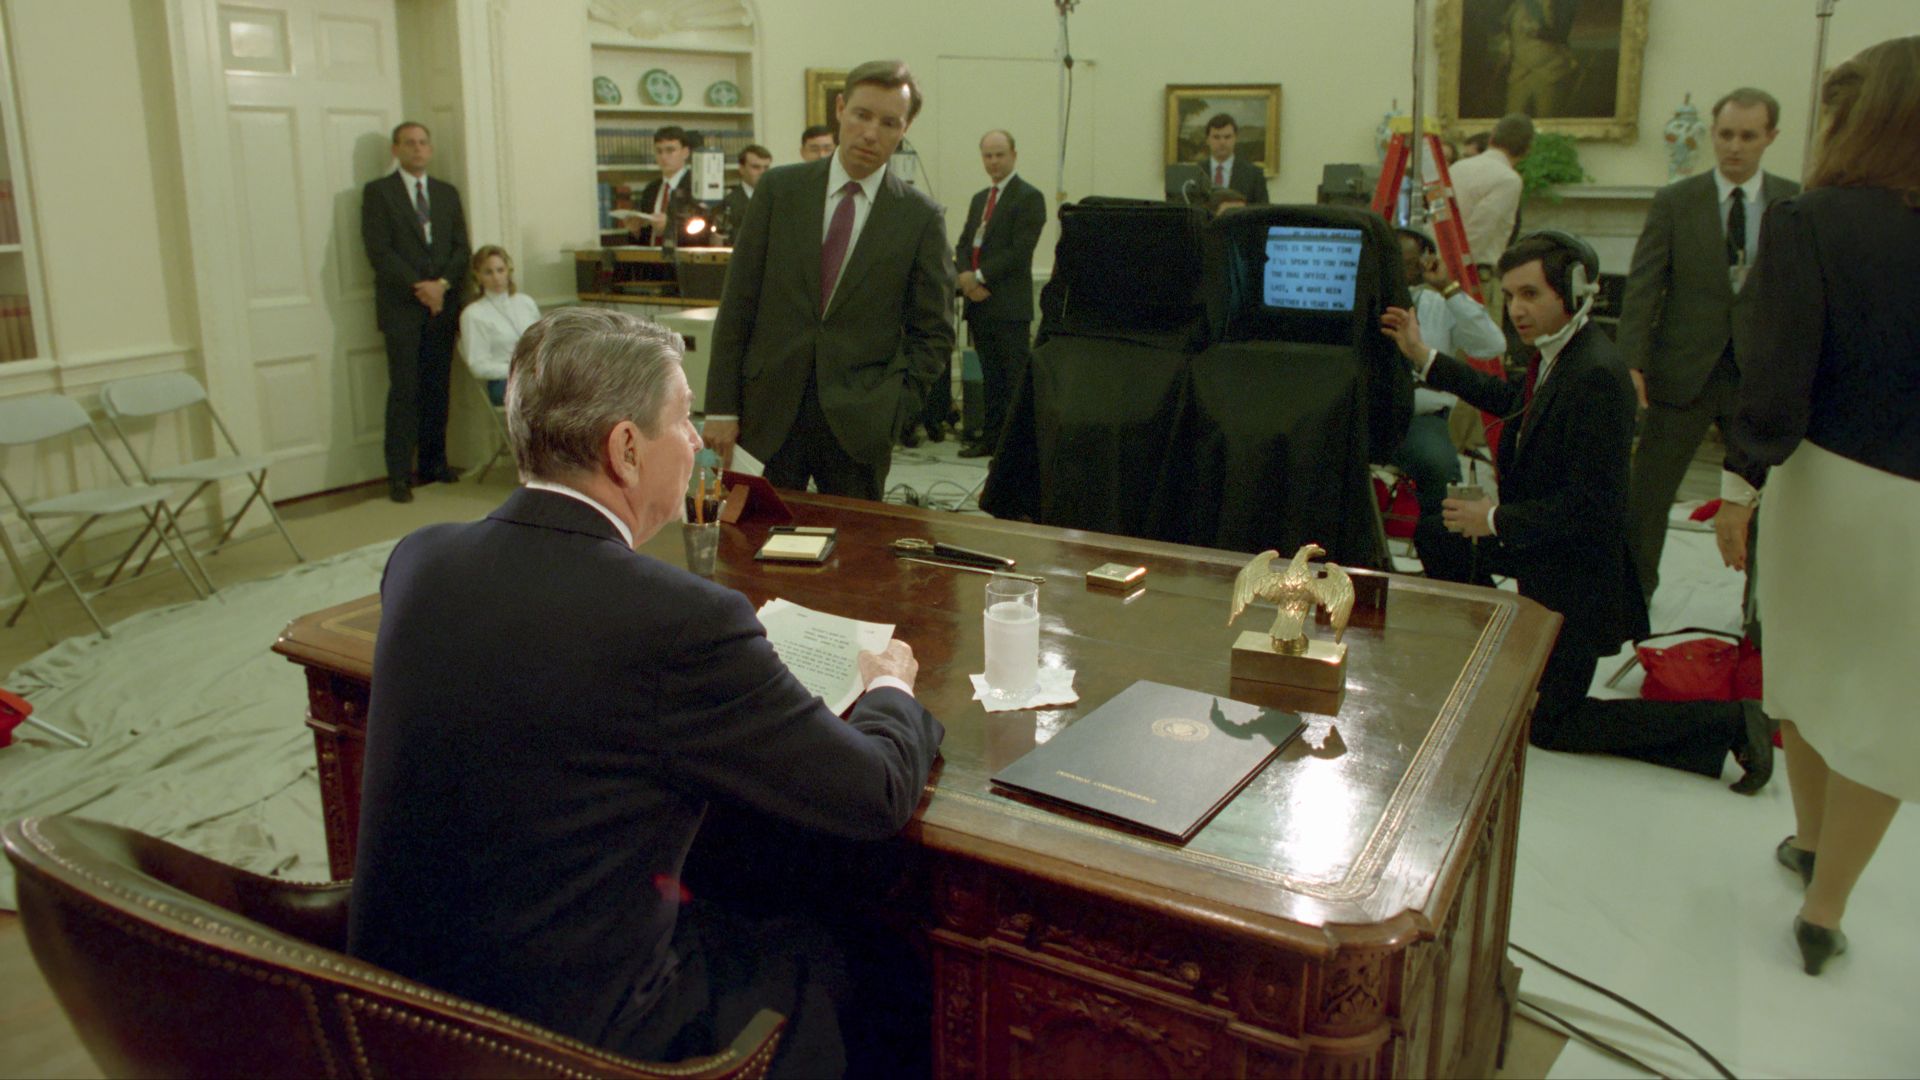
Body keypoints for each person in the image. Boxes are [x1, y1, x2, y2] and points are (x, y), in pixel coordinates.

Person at [347, 307, 945, 1076]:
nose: (697, 443)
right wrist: (892, 685)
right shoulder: (681, 621)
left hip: (395, 1018)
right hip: (573, 1044)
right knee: (847, 955)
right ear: (626, 448)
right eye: (685, 419)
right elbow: (875, 793)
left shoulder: (420, 559)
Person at [1380, 231, 1774, 791]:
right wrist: (1424, 356)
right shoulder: (1559, 357)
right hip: (1545, 548)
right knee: (1438, 532)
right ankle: (1498, 654)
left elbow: (1591, 512)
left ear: (1573, 291)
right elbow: (1512, 400)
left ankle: (1730, 722)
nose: (1517, 309)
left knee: (1553, 725)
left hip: (1581, 578)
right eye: (1511, 295)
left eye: (1531, 294)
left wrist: (1494, 520)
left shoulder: (1597, 375)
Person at [1714, 36, 1920, 975]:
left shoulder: (1812, 220)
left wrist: (1736, 486)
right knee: (1887, 706)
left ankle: (1805, 836)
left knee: (1802, 673)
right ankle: (1826, 904)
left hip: (1830, 487)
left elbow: (1775, 378)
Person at [703, 60, 955, 500]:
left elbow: (933, 333)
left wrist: (892, 409)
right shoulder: (779, 191)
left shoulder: (920, 218)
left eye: (889, 122)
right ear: (840, 109)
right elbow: (739, 302)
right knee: (750, 549)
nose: (871, 133)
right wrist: (721, 407)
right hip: (766, 412)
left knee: (857, 559)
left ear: (905, 127)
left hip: (858, 425)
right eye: (861, 114)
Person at [1620, 88, 1799, 604]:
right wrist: (1632, 361)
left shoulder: (1794, 203)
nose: (1734, 147)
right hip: (1681, 371)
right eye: (1725, 135)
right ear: (1711, 135)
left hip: (1758, 376)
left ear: (1770, 138)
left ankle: (1757, 619)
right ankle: (1633, 605)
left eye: (1747, 136)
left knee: (1764, 499)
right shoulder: (1677, 201)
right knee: (1648, 498)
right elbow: (1644, 284)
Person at [1386, 227, 1507, 573]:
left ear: (1424, 264)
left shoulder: (1438, 302)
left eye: (1409, 265)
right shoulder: (1362, 297)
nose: (1401, 273)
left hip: (1419, 417)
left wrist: (1449, 288)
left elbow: (1491, 346)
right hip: (1364, 413)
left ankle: (1448, 570)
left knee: (1439, 467)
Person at [363, 121, 469, 504]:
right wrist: (420, 287)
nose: (418, 149)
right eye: (409, 143)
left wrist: (440, 286)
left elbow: (461, 249)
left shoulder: (446, 193)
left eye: (424, 143)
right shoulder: (379, 193)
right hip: (402, 308)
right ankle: (397, 475)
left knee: (437, 387)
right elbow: (380, 252)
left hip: (443, 305)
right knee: (404, 390)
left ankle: (434, 464)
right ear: (396, 150)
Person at [948, 129, 1045, 459]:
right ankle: (990, 439)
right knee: (988, 378)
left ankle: (1016, 448)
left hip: (1008, 305)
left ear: (1014, 155)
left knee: (1013, 380)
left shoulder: (1029, 197)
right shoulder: (980, 199)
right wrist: (965, 279)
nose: (993, 161)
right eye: (987, 155)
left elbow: (1019, 251)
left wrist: (977, 276)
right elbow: (964, 243)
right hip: (978, 305)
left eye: (999, 154)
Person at [1450, 113, 1532, 273]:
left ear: (1492, 136)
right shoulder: (1508, 179)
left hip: (1445, 267)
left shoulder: (1456, 168)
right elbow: (1481, 229)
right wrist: (1458, 268)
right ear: (1527, 149)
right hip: (1474, 273)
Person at [458, 245, 539, 407]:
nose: (496, 278)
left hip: (536, 373)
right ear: (478, 276)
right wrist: (517, 369)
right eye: (488, 272)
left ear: (508, 271)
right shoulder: (473, 314)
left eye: (500, 270)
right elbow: (478, 366)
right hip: (505, 381)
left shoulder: (525, 302)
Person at [626, 126, 711, 246]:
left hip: (683, 259)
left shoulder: (697, 187)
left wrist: (669, 227)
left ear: (685, 152)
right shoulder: (651, 189)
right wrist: (636, 231)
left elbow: (704, 232)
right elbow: (646, 238)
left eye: (670, 150)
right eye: (659, 151)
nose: (663, 157)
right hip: (652, 260)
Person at [1493, 0, 1578, 116]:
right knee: (1513, 122)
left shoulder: (1559, 4)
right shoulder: (1517, 5)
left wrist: (1538, 32)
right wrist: (1506, 43)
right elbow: (1505, 29)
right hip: (1519, 75)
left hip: (1550, 73)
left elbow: (1561, 32)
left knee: (1547, 123)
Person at [1199, 113, 1268, 205]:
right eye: (1216, 137)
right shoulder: (1195, 172)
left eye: (1227, 137)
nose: (1222, 142)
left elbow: (1263, 213)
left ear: (1235, 138)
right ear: (1207, 140)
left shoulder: (1254, 175)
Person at [719, 143, 771, 240]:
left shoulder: (777, 198)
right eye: (756, 167)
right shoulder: (728, 202)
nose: (763, 173)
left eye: (766, 168)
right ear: (742, 169)